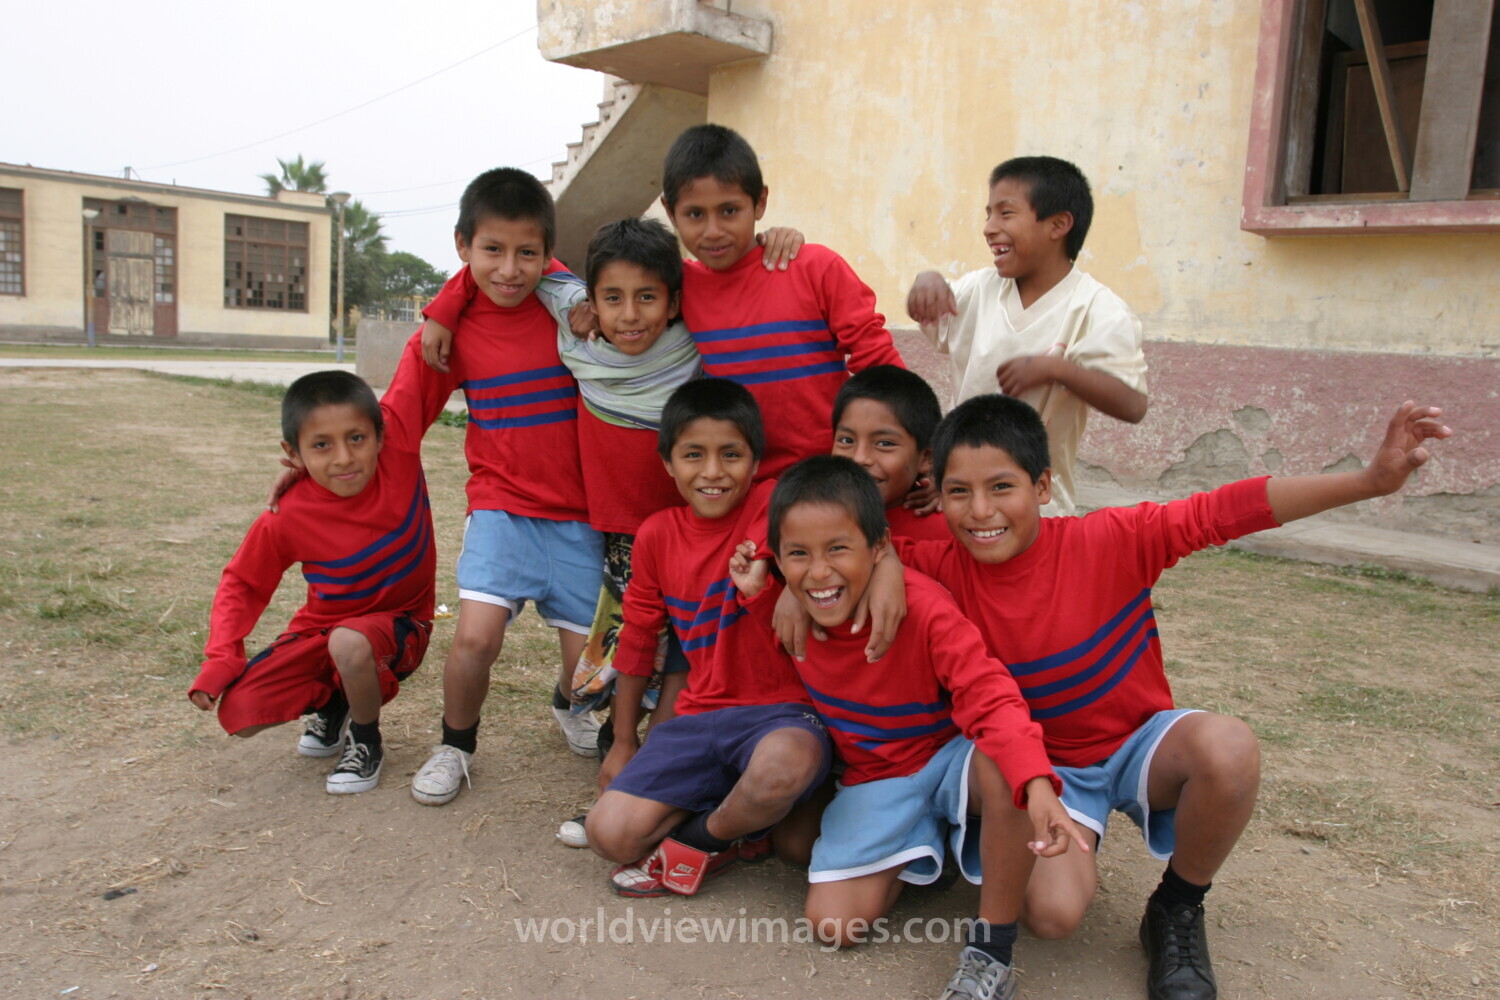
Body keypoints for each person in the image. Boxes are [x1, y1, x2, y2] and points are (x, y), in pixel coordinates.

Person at [882, 394, 1451, 1000]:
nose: (981, 510)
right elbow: (839, 554)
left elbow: (1227, 510)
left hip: (1134, 746)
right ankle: (975, 847)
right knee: (1053, 916)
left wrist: (1368, 482)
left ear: (1043, 486)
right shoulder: (935, 569)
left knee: (1228, 748)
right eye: (959, 492)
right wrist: (820, 580)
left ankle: (1177, 907)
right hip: (1039, 770)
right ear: (935, 496)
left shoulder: (1110, 540)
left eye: (1002, 487)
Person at [732, 455, 1088, 1000]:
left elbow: (988, 694)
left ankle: (991, 948)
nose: (820, 572)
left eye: (838, 550)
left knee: (1001, 765)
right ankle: (931, 848)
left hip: (947, 759)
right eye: (799, 555)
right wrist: (767, 586)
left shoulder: (921, 605)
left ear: (879, 549)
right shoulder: (788, 607)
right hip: (878, 777)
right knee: (835, 925)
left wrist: (1036, 781)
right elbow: (773, 544)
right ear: (779, 559)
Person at [585, 379, 842, 898]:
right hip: (701, 716)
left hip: (785, 714)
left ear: (755, 460)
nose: (712, 472)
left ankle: (705, 839)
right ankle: (741, 818)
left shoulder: (774, 505)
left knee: (779, 769)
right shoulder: (657, 534)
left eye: (731, 454)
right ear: (668, 464)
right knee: (608, 834)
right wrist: (624, 739)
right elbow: (638, 635)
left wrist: (781, 588)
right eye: (693, 455)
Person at [401, 167, 606, 805]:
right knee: (475, 638)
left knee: (593, 671)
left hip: (580, 518)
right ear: (463, 247)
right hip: (503, 509)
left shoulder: (575, 313)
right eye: (492, 251)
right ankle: (454, 746)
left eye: (527, 253)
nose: (510, 269)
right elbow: (400, 413)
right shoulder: (451, 329)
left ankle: (566, 703)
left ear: (547, 254)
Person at [188, 371, 435, 795]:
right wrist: (221, 659)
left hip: (399, 628)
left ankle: (366, 739)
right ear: (293, 453)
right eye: (321, 445)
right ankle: (335, 703)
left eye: (356, 438)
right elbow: (242, 584)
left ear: (381, 435)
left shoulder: (401, 453)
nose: (343, 458)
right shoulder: (287, 513)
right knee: (242, 714)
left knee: (350, 642)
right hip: (323, 630)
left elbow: (425, 359)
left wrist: (448, 310)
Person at [662, 124, 907, 478]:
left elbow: (879, 364)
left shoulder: (814, 268)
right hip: (739, 483)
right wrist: (584, 310)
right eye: (695, 214)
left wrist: (924, 450)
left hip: (831, 475)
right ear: (671, 213)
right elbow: (623, 298)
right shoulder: (679, 286)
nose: (713, 230)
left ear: (760, 202)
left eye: (729, 211)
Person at [906, 156, 1148, 515]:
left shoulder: (1097, 309)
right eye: (987, 214)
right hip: (959, 498)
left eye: (1006, 213)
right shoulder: (978, 289)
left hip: (1040, 510)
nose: (989, 228)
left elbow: (1133, 405)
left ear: (1059, 224)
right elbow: (929, 312)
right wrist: (925, 281)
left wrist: (1059, 370)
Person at [831, 365, 950, 542]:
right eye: (847, 440)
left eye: (884, 443)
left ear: (926, 458)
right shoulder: (810, 516)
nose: (859, 458)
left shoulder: (952, 532)